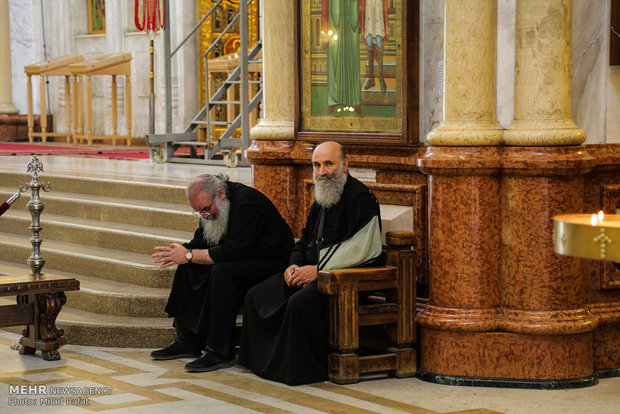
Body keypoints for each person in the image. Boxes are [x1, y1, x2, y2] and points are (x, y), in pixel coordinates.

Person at [238, 141, 383, 385]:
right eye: (316, 165)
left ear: (345, 165)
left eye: (329, 164)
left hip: (342, 281)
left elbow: (361, 249)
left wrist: (317, 271)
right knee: (256, 295)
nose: (322, 172)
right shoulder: (322, 199)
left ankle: (299, 370)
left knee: (297, 305)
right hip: (312, 273)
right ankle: (264, 365)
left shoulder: (360, 198)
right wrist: (293, 266)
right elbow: (305, 239)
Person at [150, 173, 294, 372]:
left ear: (220, 194)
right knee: (187, 264)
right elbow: (200, 242)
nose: (206, 216)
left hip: (273, 262)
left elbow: (233, 251)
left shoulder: (246, 204)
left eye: (206, 210)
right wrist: (180, 252)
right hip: (243, 257)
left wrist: (190, 255)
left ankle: (219, 351)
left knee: (223, 272)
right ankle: (188, 340)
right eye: (200, 213)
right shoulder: (213, 206)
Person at [324, 0, 362, 114]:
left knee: (352, 52)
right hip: (335, 11)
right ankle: (333, 100)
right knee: (334, 53)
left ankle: (353, 99)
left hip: (351, 11)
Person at [361, 0, 390, 93]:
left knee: (378, 40)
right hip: (368, 9)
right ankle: (371, 79)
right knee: (369, 41)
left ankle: (381, 79)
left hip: (378, 8)